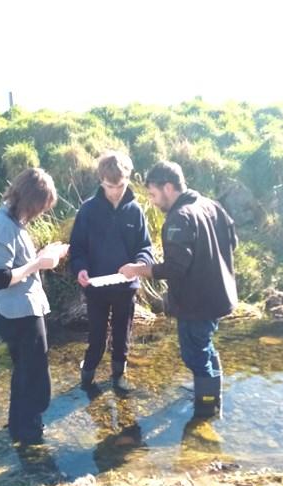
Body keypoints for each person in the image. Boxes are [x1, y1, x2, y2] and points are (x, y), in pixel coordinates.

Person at [119, 161, 238, 417]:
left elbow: (174, 268)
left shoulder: (179, 218)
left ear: (168, 187)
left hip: (196, 303)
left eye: (153, 194)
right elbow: (233, 242)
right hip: (218, 297)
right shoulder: (211, 205)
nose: (152, 202)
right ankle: (213, 396)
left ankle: (206, 408)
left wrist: (137, 269)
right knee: (204, 345)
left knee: (195, 355)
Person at [0, 168, 69, 445]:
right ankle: (29, 433)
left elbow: (17, 263)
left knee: (25, 372)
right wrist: (39, 263)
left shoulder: (12, 219)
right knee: (35, 375)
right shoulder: (4, 225)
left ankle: (19, 426)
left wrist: (45, 255)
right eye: (40, 207)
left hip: (22, 309)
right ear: (29, 200)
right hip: (19, 313)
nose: (40, 213)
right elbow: (0, 278)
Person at [69, 151, 153, 396]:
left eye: (120, 186)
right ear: (101, 181)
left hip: (126, 287)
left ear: (128, 180)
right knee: (96, 337)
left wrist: (139, 264)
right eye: (109, 186)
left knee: (122, 335)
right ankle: (87, 379)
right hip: (95, 287)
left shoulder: (135, 211)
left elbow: (145, 247)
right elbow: (77, 248)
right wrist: (80, 269)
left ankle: (119, 377)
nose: (115, 191)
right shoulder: (88, 210)